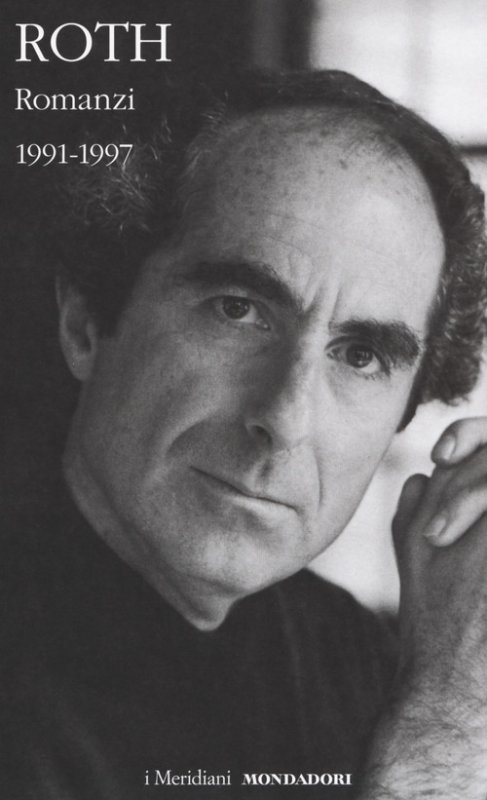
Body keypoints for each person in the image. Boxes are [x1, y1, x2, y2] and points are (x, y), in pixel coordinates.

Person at [2, 69, 487, 799]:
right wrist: (446, 726)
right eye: (237, 310)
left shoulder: (346, 651)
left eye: (360, 356)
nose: (285, 421)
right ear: (87, 324)